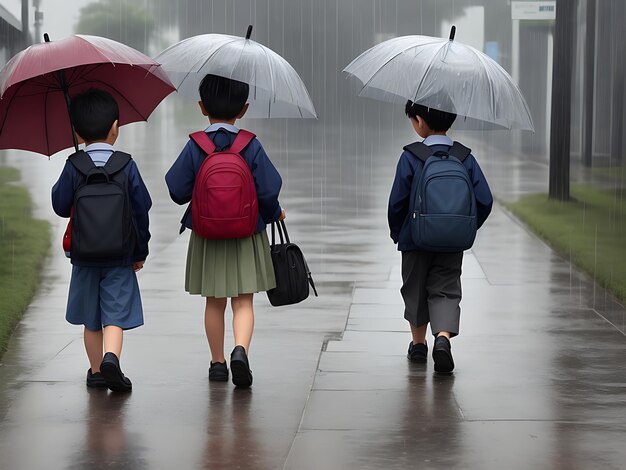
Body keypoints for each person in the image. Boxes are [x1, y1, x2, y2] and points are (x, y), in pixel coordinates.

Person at [165, 74, 284, 388]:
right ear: (243, 110)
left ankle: (217, 363)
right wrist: (275, 213)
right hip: (247, 232)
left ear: (202, 107)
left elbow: (176, 189)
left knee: (214, 301)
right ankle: (240, 350)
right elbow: (268, 190)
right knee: (243, 301)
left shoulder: (196, 146)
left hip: (207, 235)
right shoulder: (250, 145)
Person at [52, 89, 152, 392]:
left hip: (84, 256)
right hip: (120, 255)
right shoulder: (126, 164)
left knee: (91, 318)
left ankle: (96, 371)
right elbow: (141, 208)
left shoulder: (75, 165)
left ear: (77, 132)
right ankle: (112, 357)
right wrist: (140, 250)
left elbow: (59, 204)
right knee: (115, 314)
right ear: (115, 127)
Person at [388, 100, 493, 373]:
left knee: (415, 290)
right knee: (446, 290)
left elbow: (397, 201)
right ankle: (443, 340)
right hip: (451, 242)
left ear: (420, 121)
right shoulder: (464, 157)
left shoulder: (411, 156)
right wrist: (465, 226)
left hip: (414, 239)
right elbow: (484, 200)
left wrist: (398, 232)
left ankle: (419, 345)